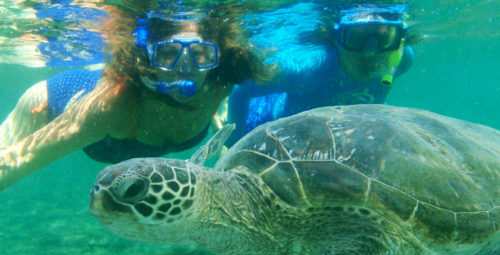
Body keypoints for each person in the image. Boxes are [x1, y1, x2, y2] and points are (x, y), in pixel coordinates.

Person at [0, 5, 273, 191]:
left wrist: (218, 121)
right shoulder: (112, 105)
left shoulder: (219, 84)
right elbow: (19, 160)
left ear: (215, 59)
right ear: (147, 58)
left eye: (200, 54)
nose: (185, 67)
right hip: (52, 99)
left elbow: (221, 96)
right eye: (169, 53)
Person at [224, 3, 418, 146]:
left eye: (384, 38)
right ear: (336, 39)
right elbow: (241, 90)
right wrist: (233, 141)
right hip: (270, 128)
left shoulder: (403, 59)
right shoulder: (306, 70)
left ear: (399, 40)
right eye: (356, 37)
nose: (369, 52)